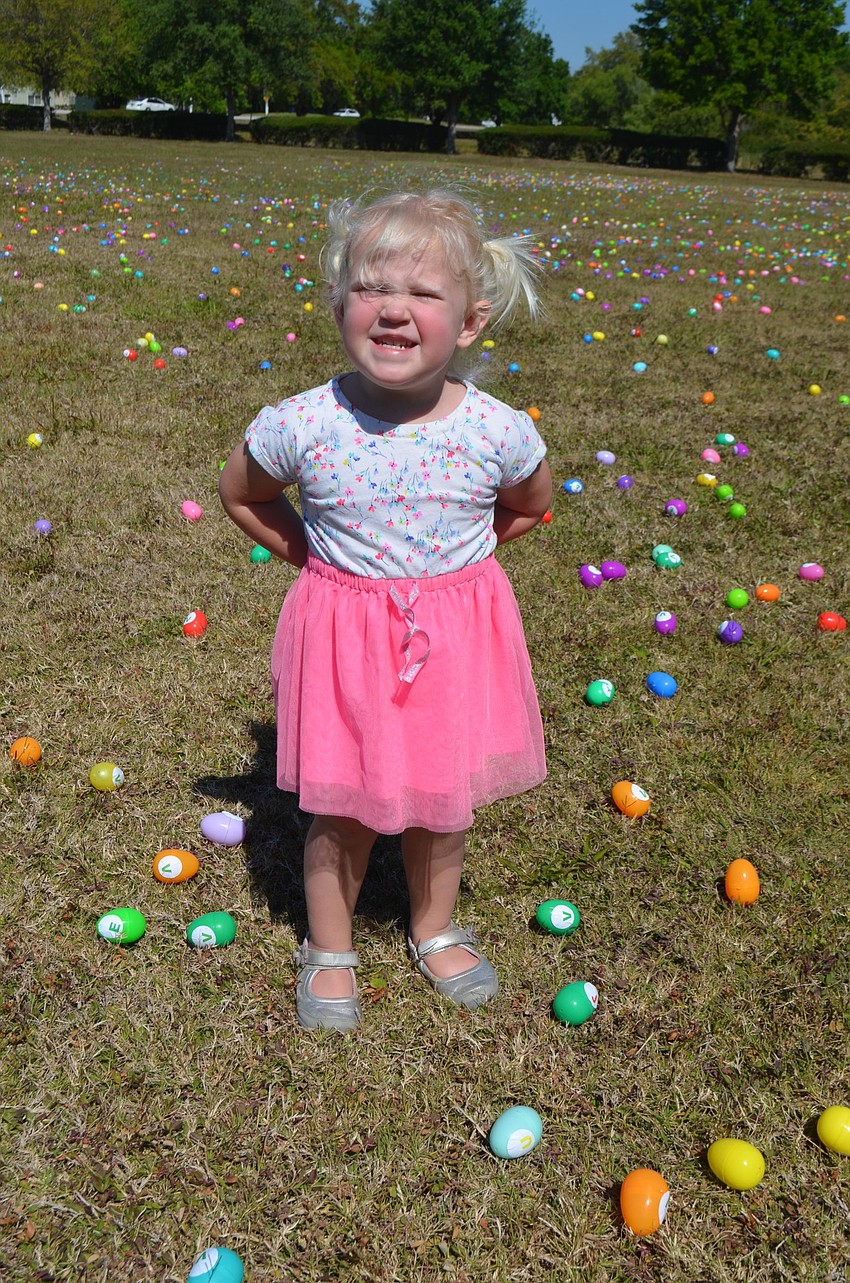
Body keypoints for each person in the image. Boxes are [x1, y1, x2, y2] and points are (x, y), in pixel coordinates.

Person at [219, 188, 552, 1031]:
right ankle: (330, 946)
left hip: (453, 643)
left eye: (423, 293)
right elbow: (242, 492)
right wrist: (313, 557)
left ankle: (433, 925)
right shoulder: (305, 423)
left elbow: (530, 502)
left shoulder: (497, 431)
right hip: (345, 644)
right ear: (339, 307)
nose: (394, 308)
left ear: (469, 323)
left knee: (443, 798)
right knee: (342, 806)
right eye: (370, 287)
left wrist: (463, 571)